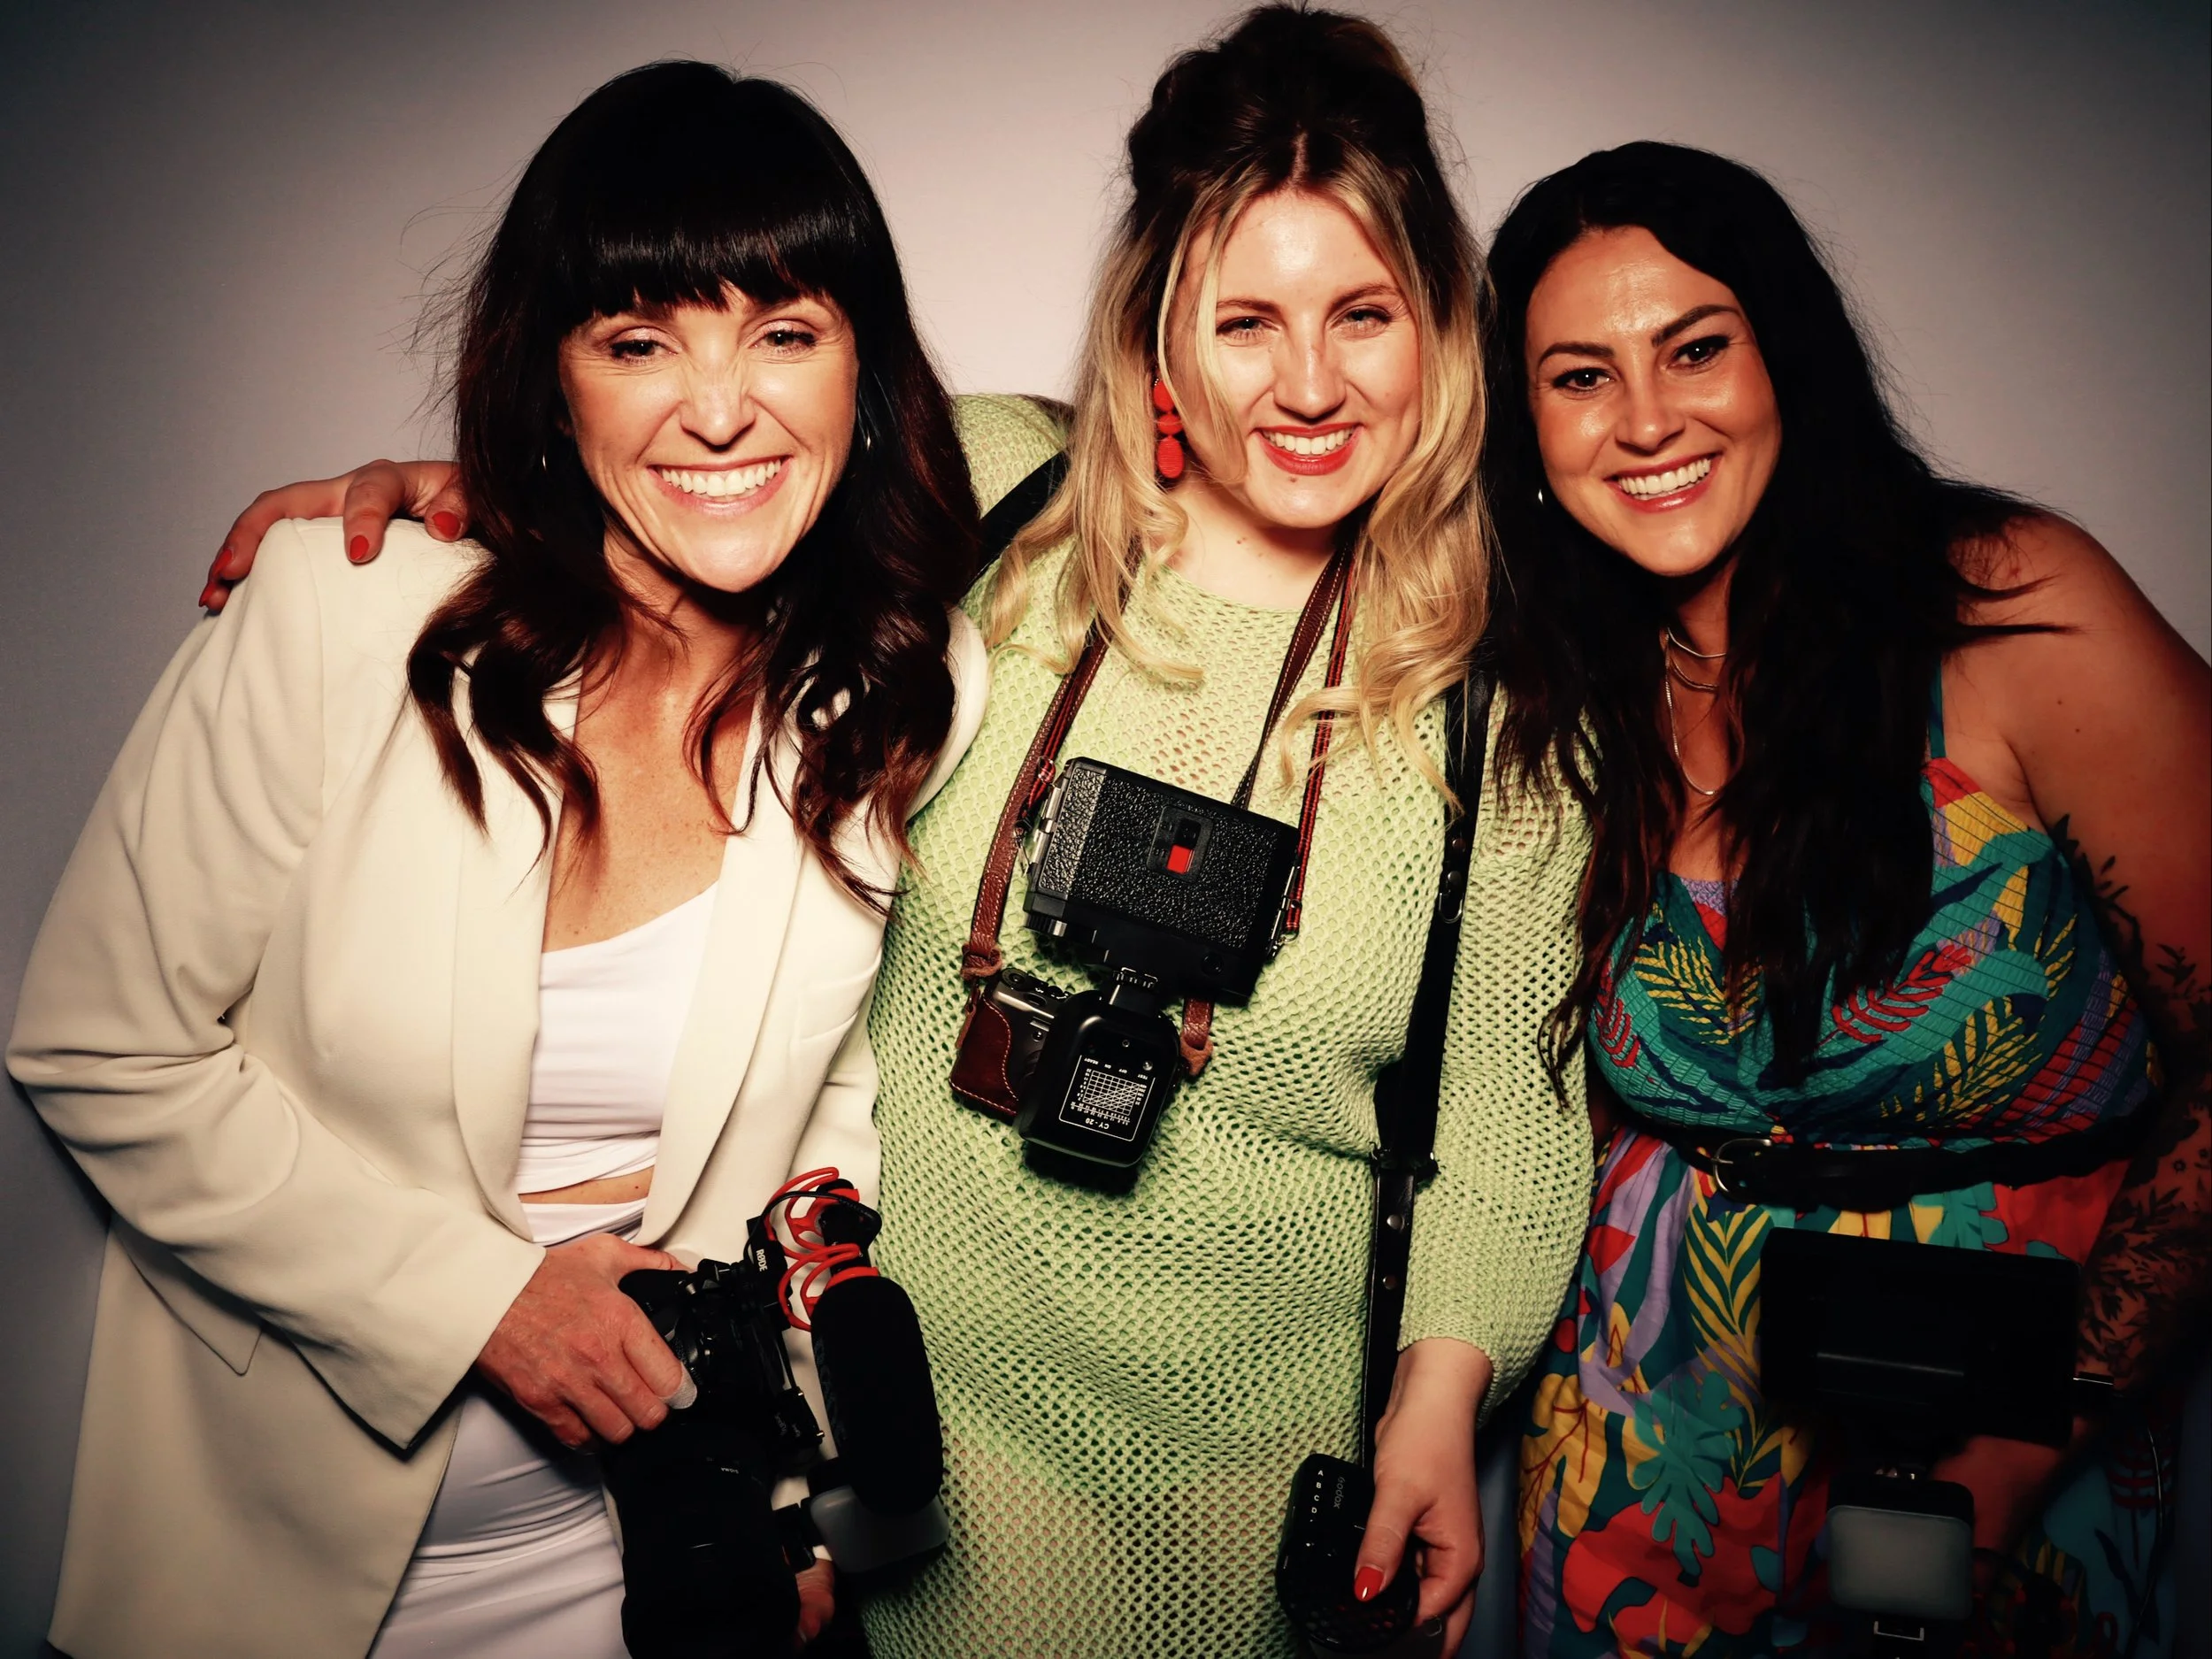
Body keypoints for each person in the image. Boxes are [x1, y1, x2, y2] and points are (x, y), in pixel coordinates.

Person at [204, 12, 1598, 1654]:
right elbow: (716, 477)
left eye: (1362, 315)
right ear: (1158, 327)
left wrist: (1437, 1410)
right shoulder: (989, 498)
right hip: (907, 1471)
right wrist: (461, 498)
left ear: (1437, 324)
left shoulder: (1500, 703)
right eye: (1245, 320)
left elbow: (1510, 1131)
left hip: (1255, 1481)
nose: (1307, 383)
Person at [8, 62, 991, 1659]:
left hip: (653, 1571)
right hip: (273, 1577)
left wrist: (791, 1493)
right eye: (641, 341)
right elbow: (101, 1045)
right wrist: (480, 1300)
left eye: (786, 333)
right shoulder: (337, 618)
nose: (722, 405)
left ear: (862, 366)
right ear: (553, 379)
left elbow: (821, 1103)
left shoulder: (894, 680)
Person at [1485, 142, 2210, 1655]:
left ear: (1785, 358)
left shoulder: (2011, 611)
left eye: (1696, 349)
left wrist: (2039, 1432)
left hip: (1999, 1458)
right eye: (1578, 376)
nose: (1646, 421)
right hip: (1636, 1469)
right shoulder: (1565, 683)